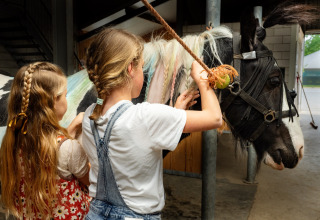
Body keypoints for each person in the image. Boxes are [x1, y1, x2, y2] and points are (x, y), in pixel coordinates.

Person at [82, 28, 222, 220]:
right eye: (142, 66)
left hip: (95, 213)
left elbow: (136, 135)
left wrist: (175, 112)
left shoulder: (89, 115)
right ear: (130, 68)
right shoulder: (146, 117)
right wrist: (203, 80)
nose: (142, 71)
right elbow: (215, 118)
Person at [0, 62, 91, 219]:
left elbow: (48, 150)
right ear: (54, 101)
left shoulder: (12, 142)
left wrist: (71, 129)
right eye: (64, 95)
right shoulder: (68, 148)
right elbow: (91, 180)